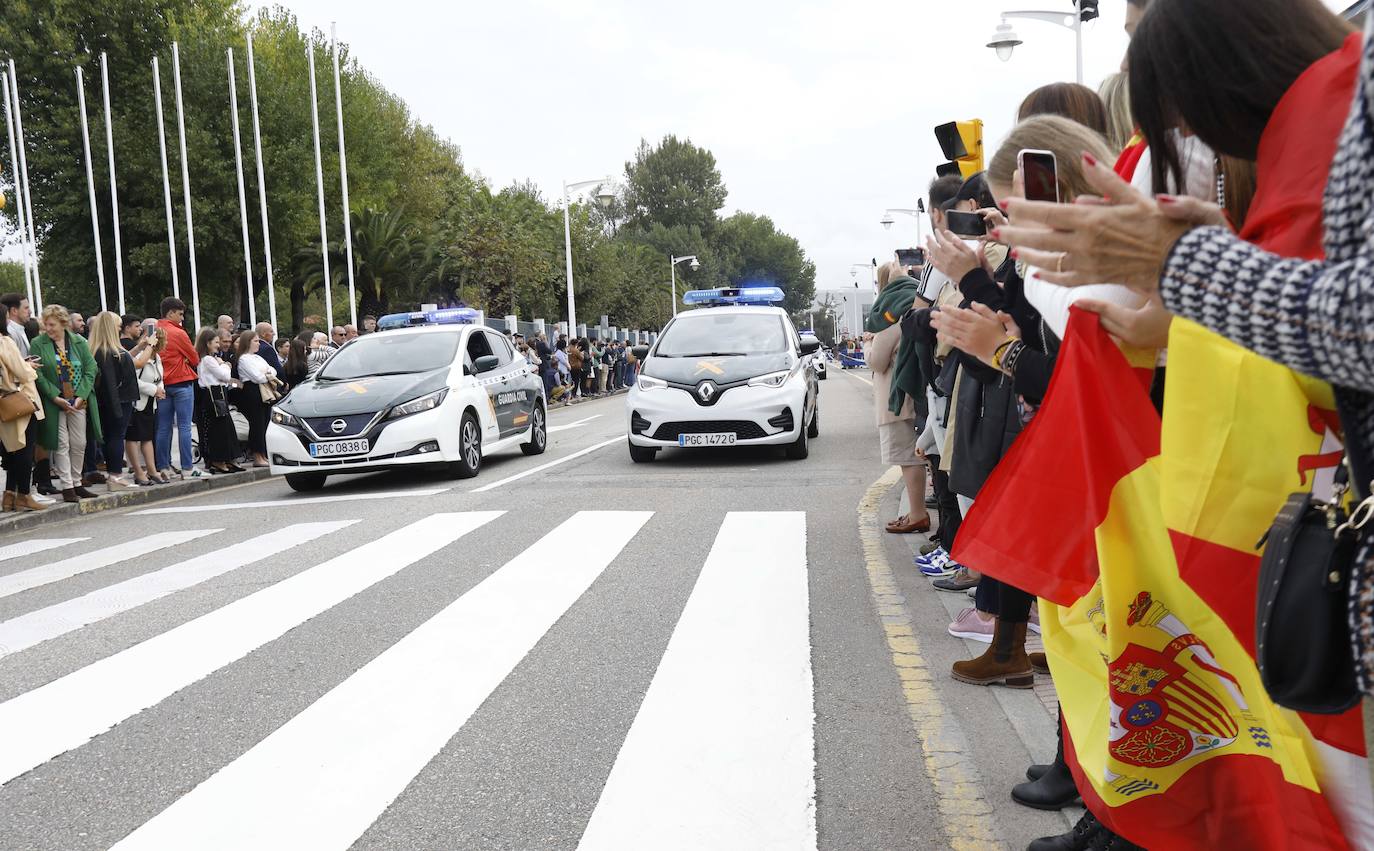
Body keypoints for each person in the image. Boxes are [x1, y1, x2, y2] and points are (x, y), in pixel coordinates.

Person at [866, 260, 930, 535]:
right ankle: (918, 511)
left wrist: (868, 341)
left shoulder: (890, 315)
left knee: (908, 458)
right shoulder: (913, 304)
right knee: (917, 455)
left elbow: (877, 361)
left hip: (896, 397)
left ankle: (917, 513)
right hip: (913, 392)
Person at [30, 305, 101, 502]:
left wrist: (81, 395)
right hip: (55, 402)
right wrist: (55, 396)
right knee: (61, 443)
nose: (48, 328)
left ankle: (77, 482)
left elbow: (91, 368)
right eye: (46, 324)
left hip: (78, 399)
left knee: (79, 442)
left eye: (52, 324)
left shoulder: (78, 342)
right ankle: (67, 486)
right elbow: (38, 374)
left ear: (63, 323)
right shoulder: (38, 343)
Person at [88, 311, 137, 491]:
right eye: (117, 325)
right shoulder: (109, 352)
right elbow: (110, 383)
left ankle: (114, 475)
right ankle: (115, 476)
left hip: (110, 401)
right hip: (117, 401)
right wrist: (116, 408)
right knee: (116, 437)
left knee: (111, 438)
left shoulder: (97, 350)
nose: (119, 328)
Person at [154, 297, 199, 479]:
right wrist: (185, 359)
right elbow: (195, 359)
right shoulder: (178, 333)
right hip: (181, 382)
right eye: (180, 314)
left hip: (160, 384)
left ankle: (163, 467)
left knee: (163, 428)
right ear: (171, 312)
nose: (182, 318)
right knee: (184, 427)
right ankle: (187, 468)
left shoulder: (153, 330)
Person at [0, 323, 44, 511]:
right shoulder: (5, 341)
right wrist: (30, 366)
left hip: (4, 402)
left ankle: (9, 494)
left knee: (12, 449)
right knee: (25, 449)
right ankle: (24, 494)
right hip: (20, 400)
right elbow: (22, 372)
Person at [195, 327, 242, 474]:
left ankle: (228, 458)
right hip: (213, 395)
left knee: (226, 428)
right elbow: (224, 376)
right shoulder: (208, 360)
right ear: (208, 343)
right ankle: (218, 460)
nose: (218, 345)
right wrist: (225, 365)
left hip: (218, 394)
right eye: (216, 342)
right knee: (218, 429)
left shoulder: (211, 359)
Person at [232, 329, 278, 468]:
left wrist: (267, 372)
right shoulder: (244, 359)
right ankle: (257, 455)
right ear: (248, 342)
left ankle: (263, 454)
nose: (259, 344)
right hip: (252, 391)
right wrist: (267, 373)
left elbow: (273, 370)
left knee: (264, 423)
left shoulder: (257, 357)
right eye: (256, 341)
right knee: (256, 424)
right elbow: (258, 377)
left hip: (264, 391)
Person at [127, 328, 166, 486]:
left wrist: (160, 389)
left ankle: (151, 470)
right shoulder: (137, 357)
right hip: (137, 402)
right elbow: (133, 381)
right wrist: (154, 390)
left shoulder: (157, 358)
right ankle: (138, 471)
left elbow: (159, 377)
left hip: (150, 402)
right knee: (133, 437)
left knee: (147, 437)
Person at [2, 292, 32, 358]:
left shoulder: (19, 329)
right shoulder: (10, 333)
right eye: (26, 308)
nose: (30, 311)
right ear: (14, 311)